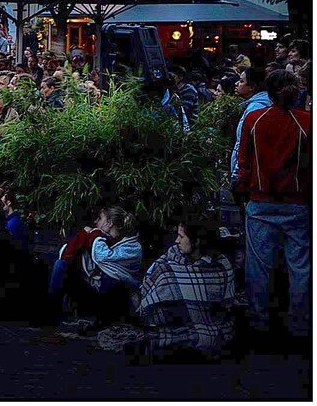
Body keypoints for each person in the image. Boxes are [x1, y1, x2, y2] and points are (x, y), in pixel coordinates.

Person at [233, 69, 311, 343]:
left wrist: (242, 190)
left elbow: (243, 163)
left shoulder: (255, 119)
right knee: (300, 267)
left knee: (259, 265)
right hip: (297, 203)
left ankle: (259, 322)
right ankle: (300, 325)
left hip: (260, 201)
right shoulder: (307, 122)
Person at [137, 214, 236, 358]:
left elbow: (225, 304)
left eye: (181, 237)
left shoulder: (221, 265)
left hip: (206, 322)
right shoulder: (171, 257)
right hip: (171, 317)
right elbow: (149, 284)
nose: (177, 241)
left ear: (196, 241)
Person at [49, 206, 143, 326]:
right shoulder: (102, 239)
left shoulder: (132, 247)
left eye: (99, 218)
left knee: (111, 279)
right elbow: (67, 254)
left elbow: (103, 257)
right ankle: (51, 313)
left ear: (109, 223)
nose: (95, 222)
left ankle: (101, 320)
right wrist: (85, 235)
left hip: (113, 296)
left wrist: (95, 235)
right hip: (94, 290)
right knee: (60, 264)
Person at [230, 66, 270, 180]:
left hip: (248, 175)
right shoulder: (256, 104)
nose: (237, 83)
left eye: (242, 81)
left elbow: (246, 145)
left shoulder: (256, 107)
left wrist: (237, 175)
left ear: (252, 87)